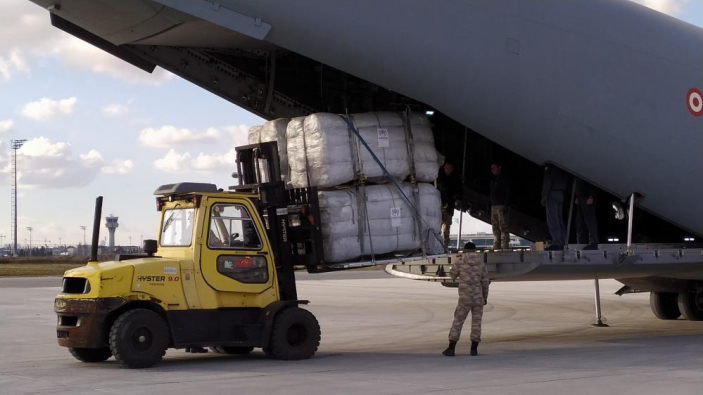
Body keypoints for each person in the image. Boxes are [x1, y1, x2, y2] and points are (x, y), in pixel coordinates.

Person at [443, 242, 490, 357]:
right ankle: (474, 349)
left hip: (465, 298)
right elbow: (485, 282)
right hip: (478, 297)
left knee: (458, 321)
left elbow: (452, 275)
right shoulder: (480, 263)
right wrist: (485, 297)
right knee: (476, 323)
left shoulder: (460, 261)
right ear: (474, 250)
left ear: (465, 250)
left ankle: (451, 348)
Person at [541, 165, 570, 251]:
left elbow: (547, 183)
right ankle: (563, 240)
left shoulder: (550, 168)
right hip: (561, 193)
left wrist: (543, 197)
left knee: (553, 219)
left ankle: (556, 242)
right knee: (559, 218)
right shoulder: (562, 167)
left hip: (552, 193)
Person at [437, 160, 462, 248]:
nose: (448, 170)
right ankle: (437, 244)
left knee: (446, 229)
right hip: (438, 207)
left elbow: (458, 193)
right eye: (446, 168)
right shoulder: (439, 179)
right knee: (437, 227)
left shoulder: (455, 181)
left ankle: (445, 245)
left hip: (448, 208)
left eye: (450, 169)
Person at [489, 162, 511, 250]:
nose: (492, 170)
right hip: (494, 205)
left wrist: (506, 204)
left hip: (501, 205)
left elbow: (508, 192)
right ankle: (496, 242)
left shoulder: (504, 179)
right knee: (495, 225)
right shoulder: (493, 180)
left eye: (494, 167)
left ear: (499, 167)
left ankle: (505, 243)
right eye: (492, 168)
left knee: (503, 225)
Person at [575, 179, 599, 250]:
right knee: (580, 221)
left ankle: (594, 242)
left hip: (587, 195)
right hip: (581, 195)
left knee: (590, 220)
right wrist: (577, 196)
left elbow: (592, 180)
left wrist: (591, 196)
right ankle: (581, 241)